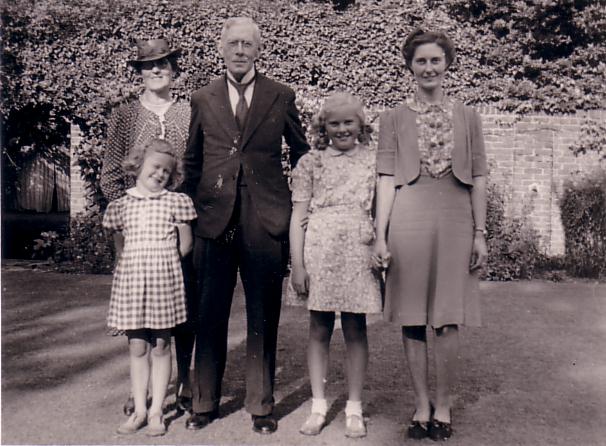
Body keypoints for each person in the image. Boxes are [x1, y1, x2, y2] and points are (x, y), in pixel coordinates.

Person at [182, 17, 310, 434]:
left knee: (263, 314)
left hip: (265, 218)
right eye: (233, 43)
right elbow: (193, 160)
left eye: (247, 44)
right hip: (214, 218)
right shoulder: (202, 98)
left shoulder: (280, 95)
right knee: (209, 311)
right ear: (221, 48)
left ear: (258, 50)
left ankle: (261, 405)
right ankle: (204, 401)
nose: (240, 50)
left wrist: (305, 206)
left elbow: (302, 152)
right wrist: (186, 211)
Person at [372, 29, 488, 441]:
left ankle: (444, 404)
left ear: (447, 64)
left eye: (435, 60)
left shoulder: (468, 116)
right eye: (420, 61)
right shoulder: (392, 117)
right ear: (410, 66)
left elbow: (477, 178)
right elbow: (386, 179)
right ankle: (421, 405)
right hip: (409, 218)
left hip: (456, 218)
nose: (428, 68)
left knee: (447, 317)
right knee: (411, 315)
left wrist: (480, 232)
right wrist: (380, 235)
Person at [99, 38, 196, 416]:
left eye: (164, 64)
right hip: (142, 230)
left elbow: (198, 167)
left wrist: (179, 213)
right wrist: (134, 210)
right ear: (139, 72)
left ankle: (184, 382)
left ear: (174, 69)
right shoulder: (124, 115)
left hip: (182, 221)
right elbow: (109, 175)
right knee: (140, 315)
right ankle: (140, 392)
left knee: (181, 306)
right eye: (148, 65)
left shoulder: (190, 112)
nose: (156, 71)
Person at [287, 92, 382, 438]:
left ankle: (354, 409)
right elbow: (298, 215)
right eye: (334, 123)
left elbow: (381, 211)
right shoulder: (310, 163)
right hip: (320, 249)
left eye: (348, 122)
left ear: (360, 124)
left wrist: (379, 246)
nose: (342, 129)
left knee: (356, 328)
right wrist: (297, 265)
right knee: (319, 327)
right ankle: (318, 404)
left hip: (358, 248)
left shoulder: (373, 161)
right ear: (322, 127)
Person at [102, 139, 197, 436]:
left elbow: (186, 244)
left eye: (167, 172)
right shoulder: (121, 206)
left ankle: (157, 411)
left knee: (161, 344)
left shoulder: (176, 202)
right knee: (138, 345)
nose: (160, 175)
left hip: (163, 284)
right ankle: (140, 410)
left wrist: (162, 263)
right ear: (139, 165)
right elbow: (120, 246)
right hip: (132, 284)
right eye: (155, 167)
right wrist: (134, 263)